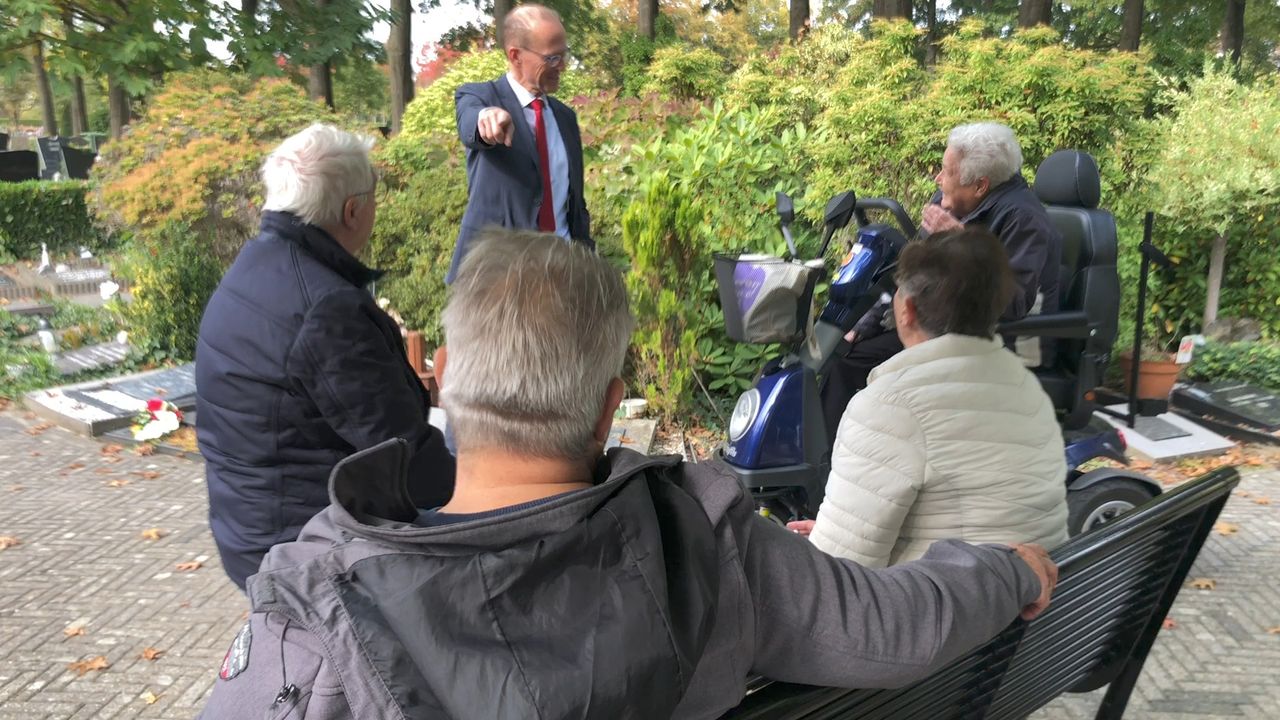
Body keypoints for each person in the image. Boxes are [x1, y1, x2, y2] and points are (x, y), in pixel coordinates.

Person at [199, 229, 1058, 720]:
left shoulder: (317, 607)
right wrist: (1003, 567)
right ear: (611, 404)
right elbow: (890, 626)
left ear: (446, 373)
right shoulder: (703, 538)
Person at [195, 123, 455, 591]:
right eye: (375, 195)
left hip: (250, 528)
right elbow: (402, 455)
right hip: (305, 551)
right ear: (352, 211)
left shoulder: (252, 267)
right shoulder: (326, 308)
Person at [788, 228, 1069, 567]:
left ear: (906, 309)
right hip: (1038, 607)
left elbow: (840, 574)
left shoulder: (889, 408)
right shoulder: (1028, 391)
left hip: (948, 613)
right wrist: (838, 529)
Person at [819, 122, 1063, 445]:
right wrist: (861, 324)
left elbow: (1013, 304)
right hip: (946, 327)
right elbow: (909, 274)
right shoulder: (952, 201)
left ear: (980, 186)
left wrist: (961, 245)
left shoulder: (1025, 220)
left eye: (947, 172)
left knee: (874, 376)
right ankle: (826, 465)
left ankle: (856, 470)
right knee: (844, 357)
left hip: (1005, 344)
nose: (938, 179)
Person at [447, 4, 591, 283]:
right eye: (552, 58)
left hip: (561, 276)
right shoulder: (480, 97)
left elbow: (575, 205)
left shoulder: (565, 118)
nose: (562, 66)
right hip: (498, 284)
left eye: (564, 55)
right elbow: (470, 123)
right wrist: (486, 119)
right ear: (516, 55)